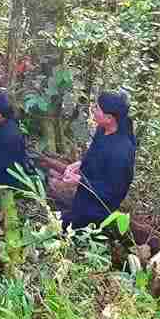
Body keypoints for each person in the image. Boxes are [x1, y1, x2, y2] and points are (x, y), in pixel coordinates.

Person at [60, 92, 137, 231]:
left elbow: (113, 191)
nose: (93, 110)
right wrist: (79, 164)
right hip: (85, 194)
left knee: (72, 231)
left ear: (109, 118)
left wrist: (79, 180)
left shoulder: (122, 151)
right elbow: (94, 154)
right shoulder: (102, 130)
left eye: (97, 108)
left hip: (99, 207)